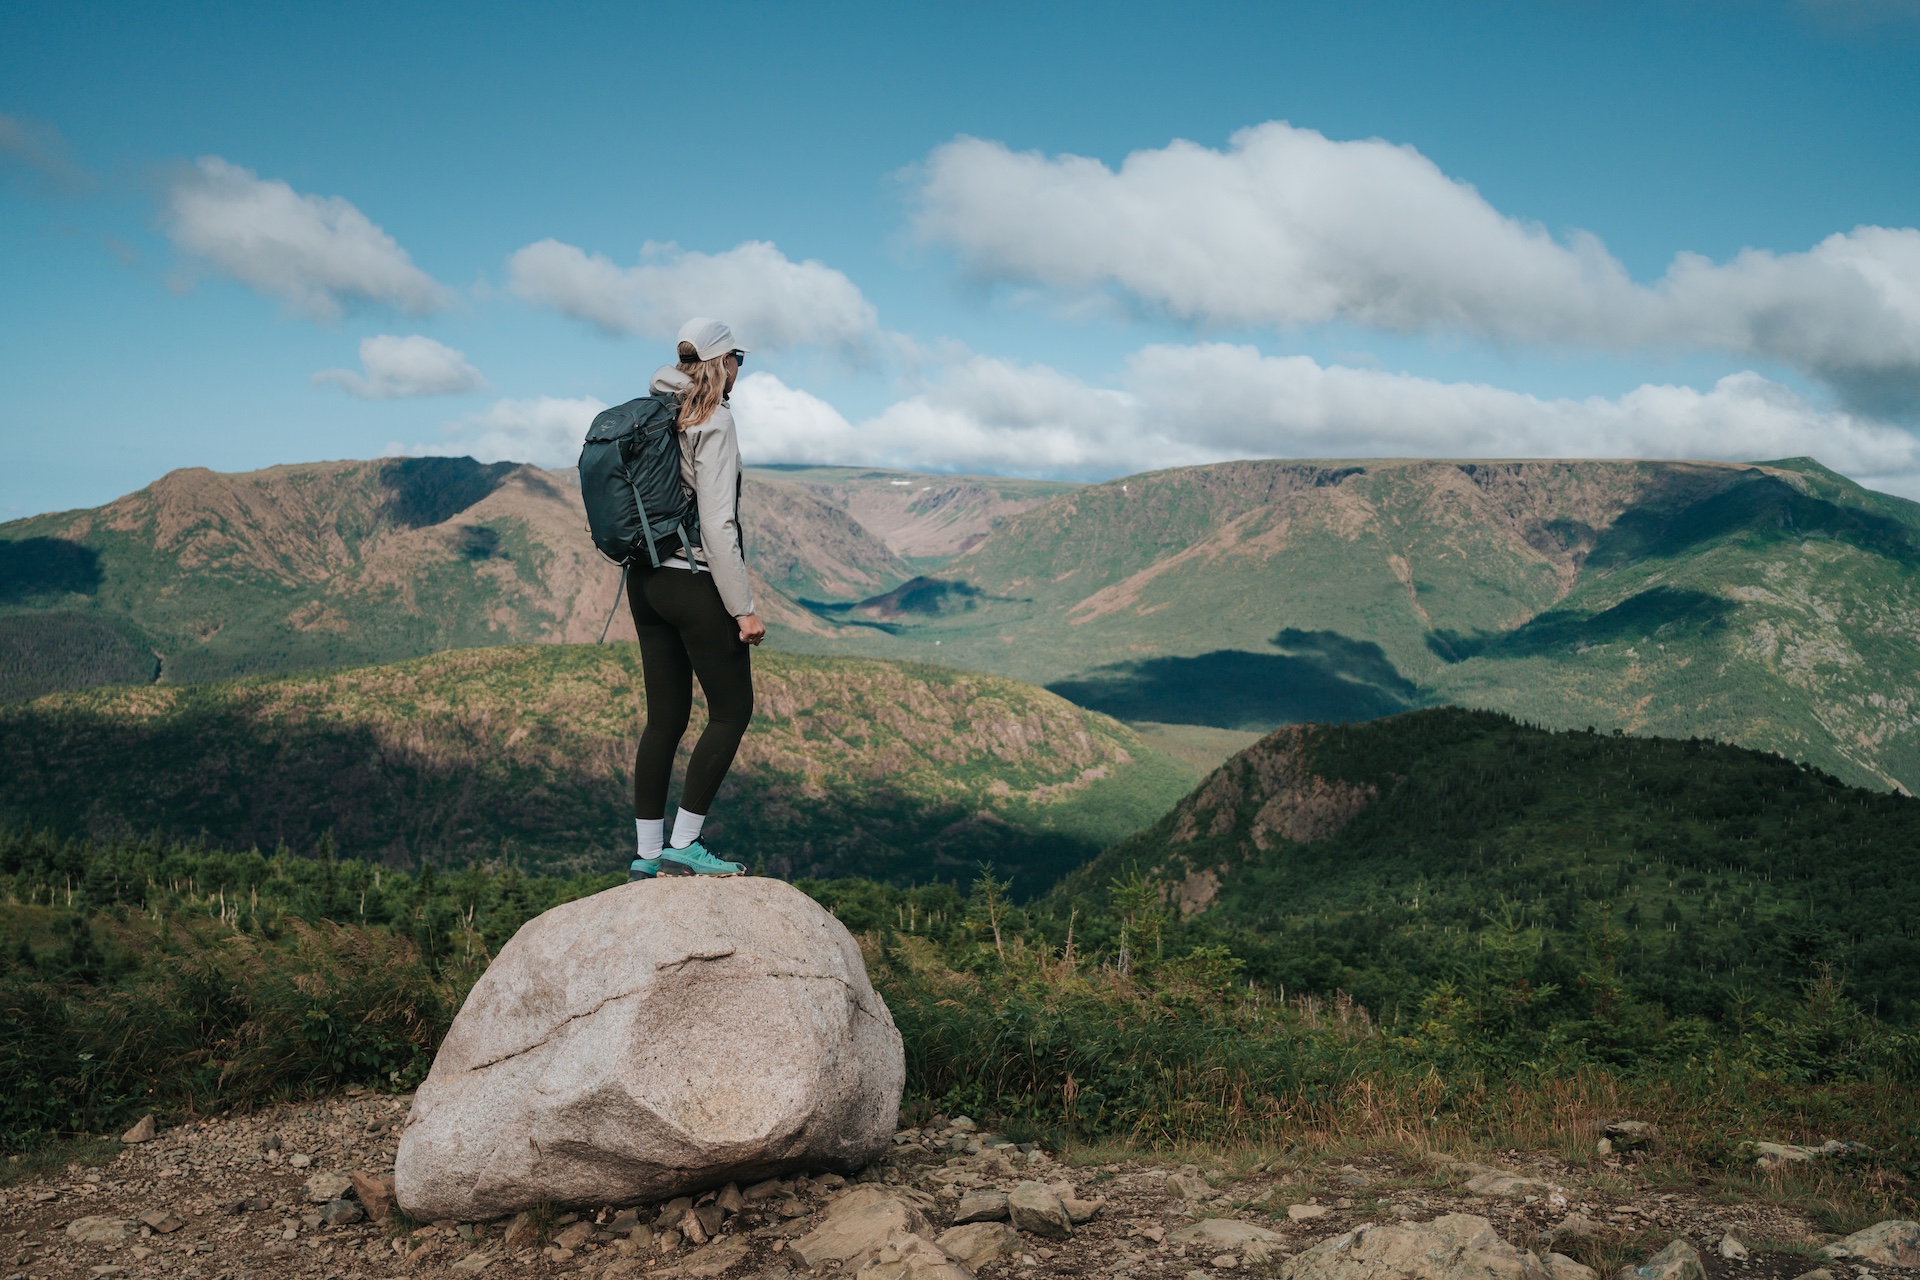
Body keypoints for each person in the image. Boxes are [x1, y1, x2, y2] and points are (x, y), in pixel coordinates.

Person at [627, 317, 766, 880]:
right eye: (739, 359)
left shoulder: (653, 410)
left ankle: (646, 854)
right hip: (691, 579)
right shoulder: (713, 418)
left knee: (665, 719)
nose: (740, 370)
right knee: (732, 710)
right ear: (721, 363)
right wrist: (743, 607)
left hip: (645, 580)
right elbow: (717, 522)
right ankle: (685, 842)